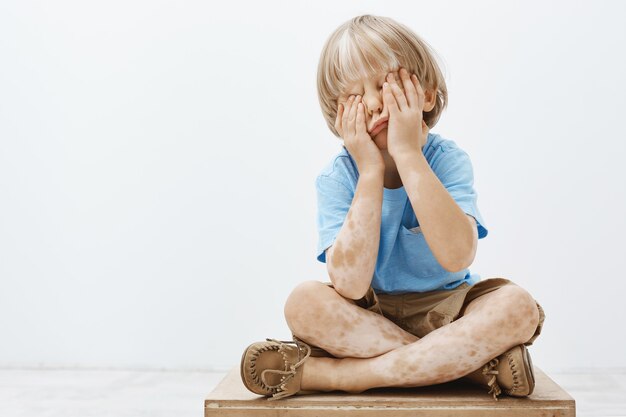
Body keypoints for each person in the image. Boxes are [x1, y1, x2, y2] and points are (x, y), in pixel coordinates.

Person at [239, 14, 545, 402]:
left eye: (386, 87)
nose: (370, 103)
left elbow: (456, 256)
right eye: (353, 96)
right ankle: (467, 370)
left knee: (517, 307)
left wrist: (407, 152)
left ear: (427, 96)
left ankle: (341, 376)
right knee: (303, 302)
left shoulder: (448, 160)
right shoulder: (338, 177)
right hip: (371, 316)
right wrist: (368, 171)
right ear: (338, 114)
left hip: (450, 309)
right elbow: (349, 285)